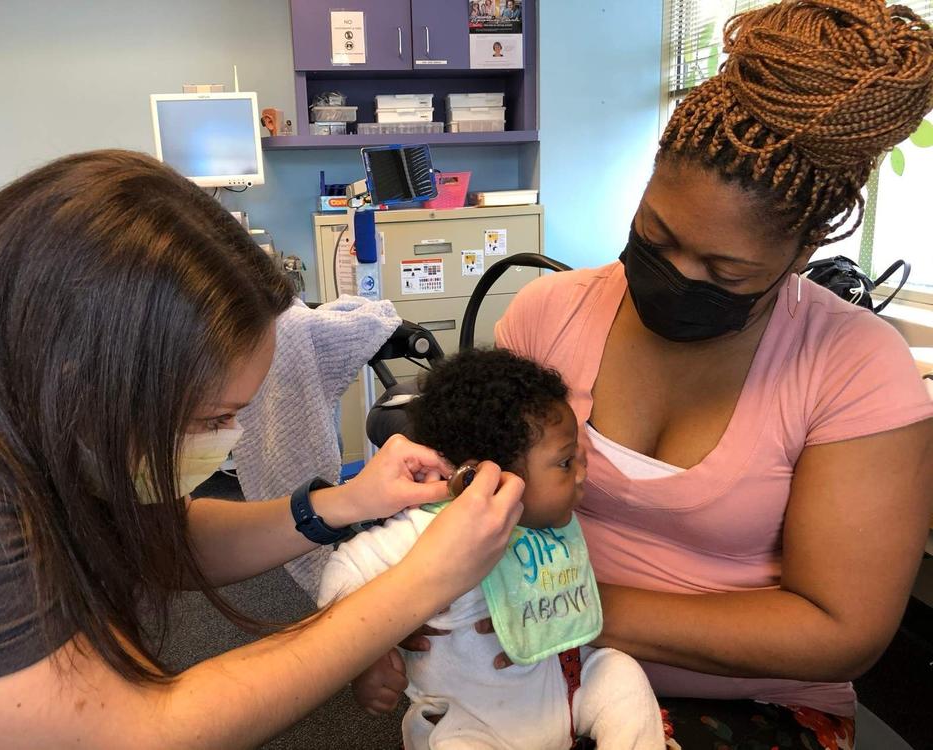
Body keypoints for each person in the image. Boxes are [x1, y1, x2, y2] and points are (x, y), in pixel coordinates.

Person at [354, 2, 933, 748]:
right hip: (532, 668)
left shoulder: (855, 367)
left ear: (802, 250)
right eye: (655, 236)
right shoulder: (549, 315)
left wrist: (550, 606)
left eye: (725, 271)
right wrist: (402, 601)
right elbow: (457, 490)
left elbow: (837, 631)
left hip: (745, 705)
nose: (677, 276)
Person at [0, 150, 525, 749]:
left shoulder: (25, 398)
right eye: (212, 418)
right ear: (82, 382)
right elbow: (135, 732)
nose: (228, 438)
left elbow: (152, 539)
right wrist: (421, 583)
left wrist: (343, 504)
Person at [319, 348, 664, 749]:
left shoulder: (548, 527)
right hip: (470, 727)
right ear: (489, 476)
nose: (584, 472)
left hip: (566, 696)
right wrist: (368, 657)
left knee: (619, 674)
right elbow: (342, 571)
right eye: (566, 463)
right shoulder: (430, 529)